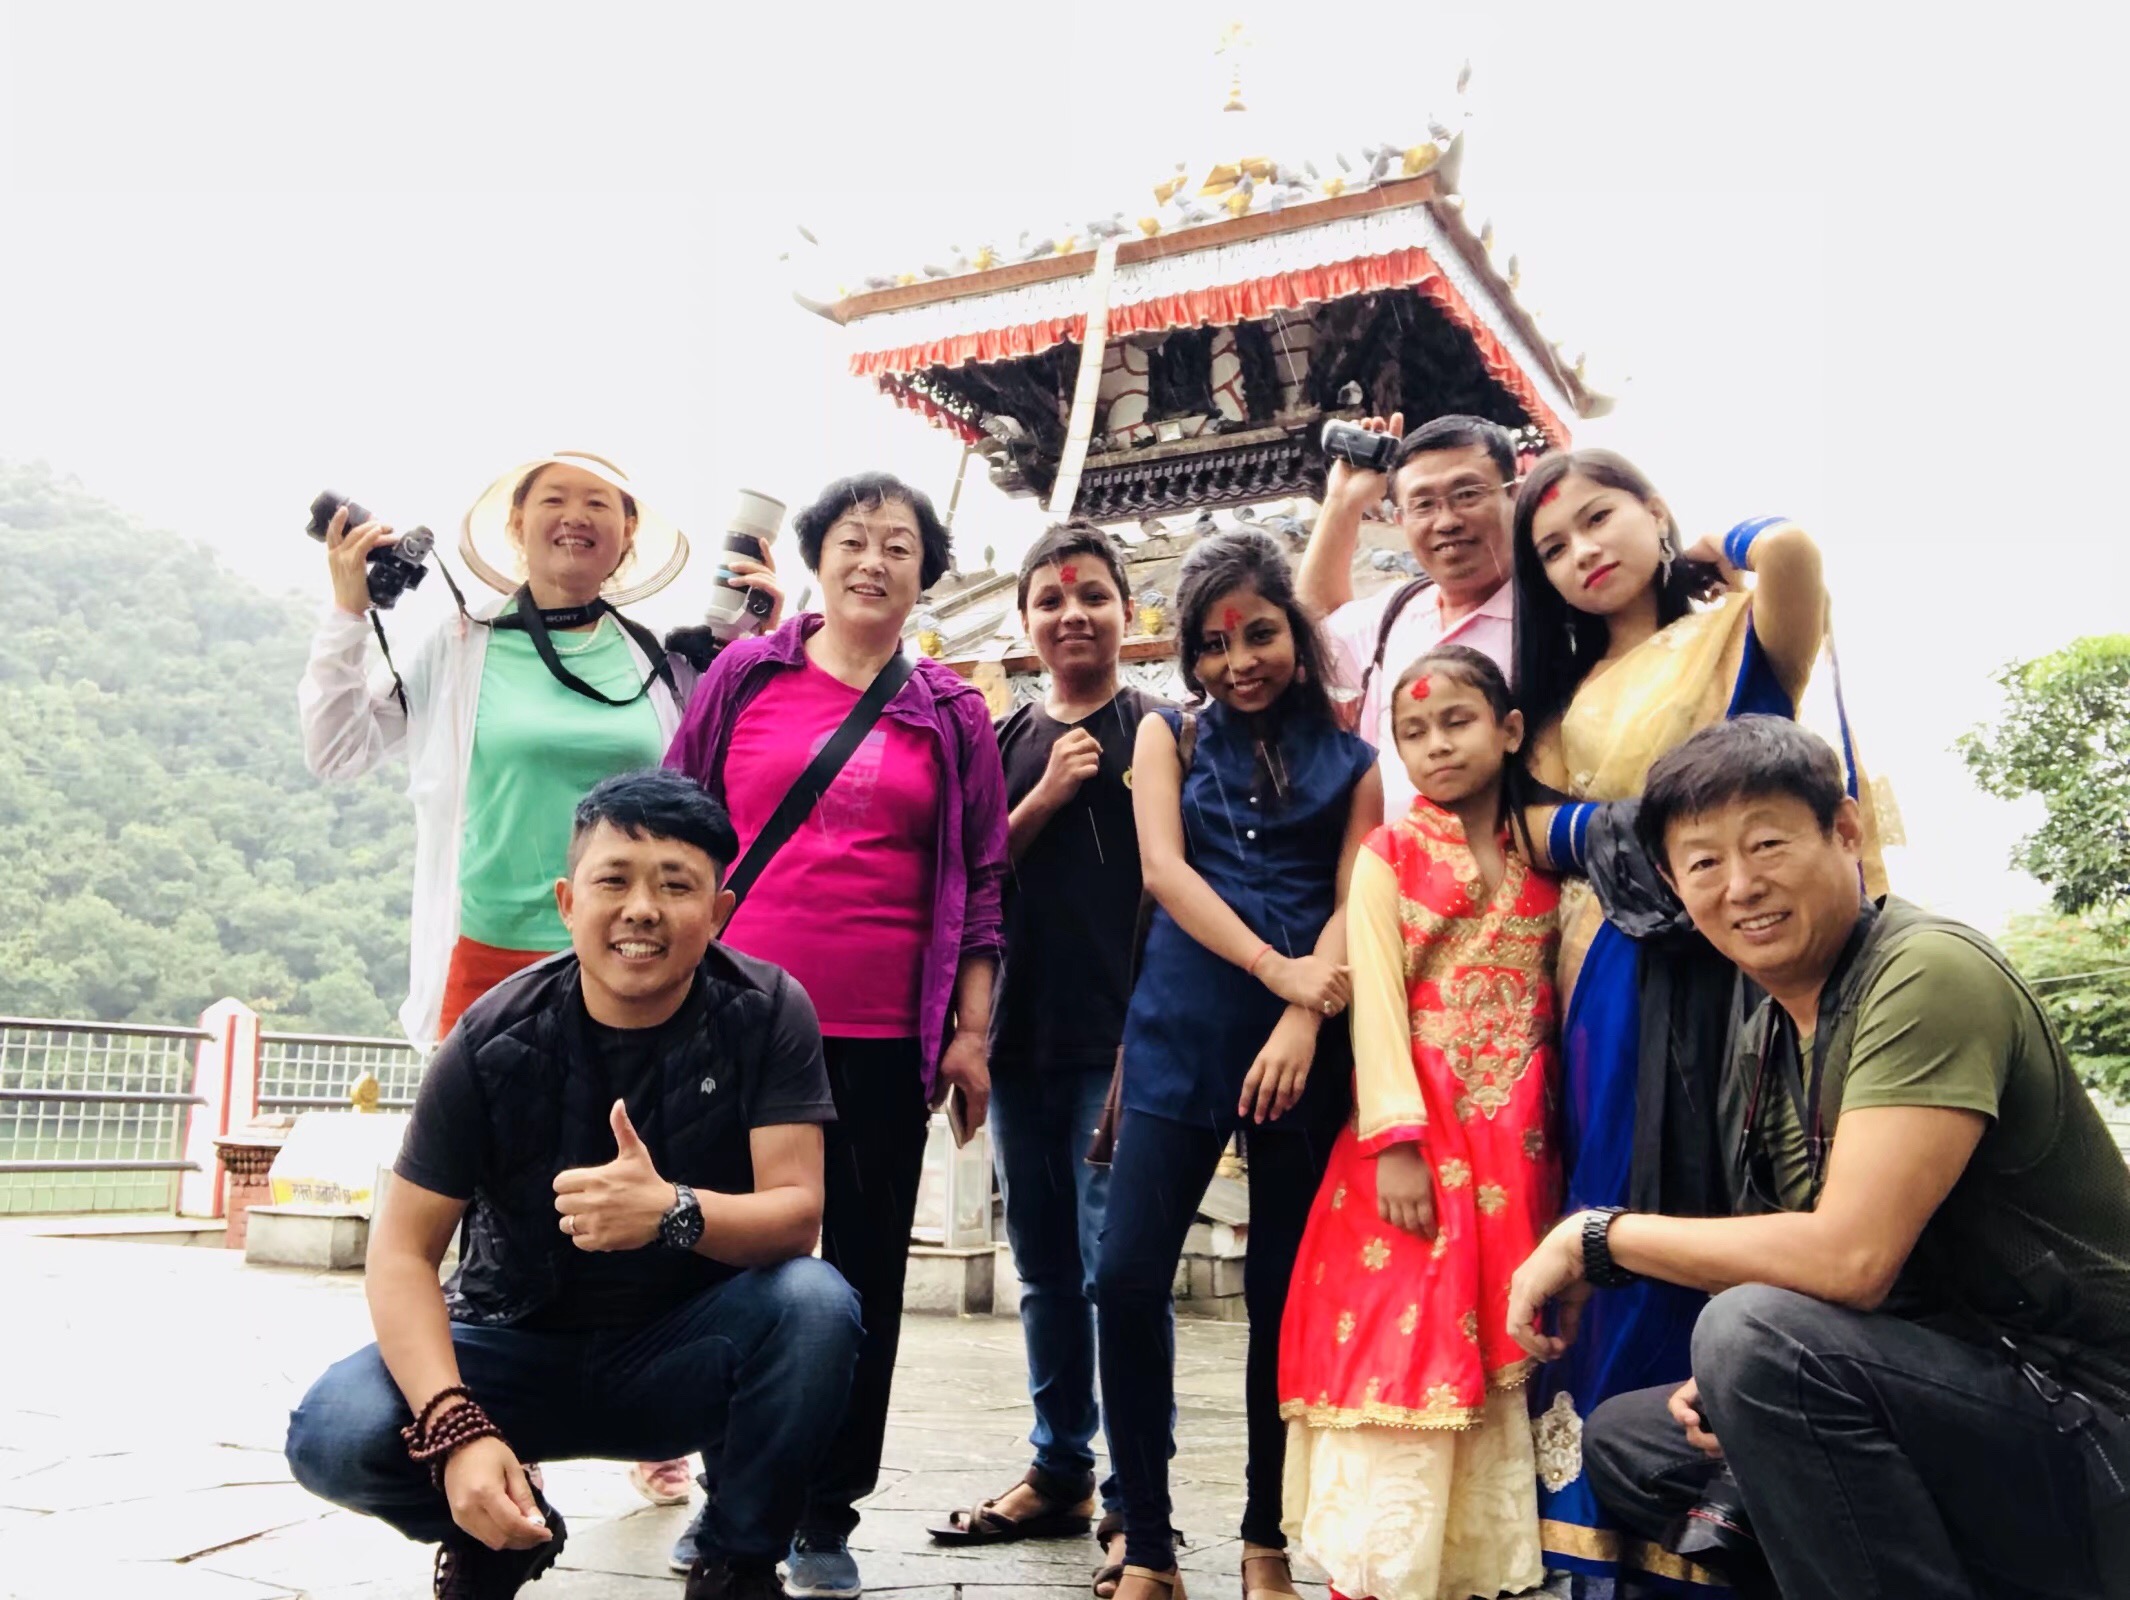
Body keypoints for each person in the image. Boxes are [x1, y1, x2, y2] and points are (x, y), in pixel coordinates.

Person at [1507, 716, 2130, 1600]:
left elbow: (1849, 1259)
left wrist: (1595, 1240)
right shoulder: (1766, 1028)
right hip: (1965, 1387)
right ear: (1675, 887)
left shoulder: (1926, 972)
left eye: (1767, 844)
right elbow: (1795, 1271)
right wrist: (1729, 1387)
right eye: (1703, 862)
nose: (1741, 886)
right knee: (1636, 1439)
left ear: (1845, 830)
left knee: (1753, 1339)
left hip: (2091, 1413)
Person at [282, 770, 861, 1600]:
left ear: (719, 912)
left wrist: (673, 1213)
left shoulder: (767, 1011)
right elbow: (403, 1251)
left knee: (815, 1305)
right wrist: (454, 1426)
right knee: (334, 1431)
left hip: (682, 1356)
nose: (642, 910)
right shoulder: (491, 1036)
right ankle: (498, 1530)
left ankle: (736, 1562)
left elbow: (797, 1216)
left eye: (676, 886)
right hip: (508, 1345)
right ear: (567, 901)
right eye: (613, 881)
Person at [1507, 449, 1870, 1592]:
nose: (1582, 553)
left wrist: (1724, 543)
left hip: (1751, 960)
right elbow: (1526, 825)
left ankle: (1729, 1503)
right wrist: (1623, 830)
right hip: (1615, 978)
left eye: (1600, 519)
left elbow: (1796, 552)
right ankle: (1599, 1526)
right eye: (1552, 548)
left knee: (1745, 1190)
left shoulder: (1737, 640)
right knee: (1614, 1190)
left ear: (1655, 512)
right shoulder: (1563, 700)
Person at [665, 472, 1008, 1599]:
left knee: (861, 1275)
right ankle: (730, 1493)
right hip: (734, 1018)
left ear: (925, 574)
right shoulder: (745, 675)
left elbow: (983, 883)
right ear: (816, 559)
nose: (873, 561)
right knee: (727, 1259)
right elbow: (676, 817)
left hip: (879, 1032)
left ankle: (826, 1508)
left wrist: (968, 1032)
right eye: (853, 541)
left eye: (898, 546)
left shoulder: (951, 713)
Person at [1096, 528, 1383, 1600]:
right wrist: (1276, 970)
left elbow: (1358, 897)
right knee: (1126, 1275)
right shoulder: (1167, 734)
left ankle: (1267, 1538)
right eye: (1213, 646)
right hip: (1181, 1029)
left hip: (1302, 1049)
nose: (1238, 661)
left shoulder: (1356, 761)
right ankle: (1151, 1544)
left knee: (1281, 1293)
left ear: (1295, 634)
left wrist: (1305, 1013)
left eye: (1259, 634)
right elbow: (1165, 873)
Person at [299, 449, 782, 1052]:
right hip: (489, 952)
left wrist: (760, 650)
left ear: (627, 531)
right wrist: (348, 614)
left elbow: (742, 782)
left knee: (626, 1116)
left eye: (597, 503)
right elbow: (337, 750)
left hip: (634, 952)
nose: (575, 516)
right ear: (517, 523)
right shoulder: (460, 644)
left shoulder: (663, 661)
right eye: (554, 500)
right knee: (483, 1115)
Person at [1280, 645, 1562, 1600]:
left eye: (1457, 721)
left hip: (1522, 1141)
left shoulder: (1549, 854)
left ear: (1509, 730)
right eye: (1413, 732)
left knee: (1501, 1350)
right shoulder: (1389, 855)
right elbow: (1379, 1004)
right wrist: (1394, 1140)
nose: (1436, 745)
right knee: (1404, 1356)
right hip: (1417, 1143)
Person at [924, 522, 1165, 1593]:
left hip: (1122, 1041)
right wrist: (1049, 794)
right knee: (1045, 1268)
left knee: (1122, 1270)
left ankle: (1135, 1499)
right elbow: (970, 877)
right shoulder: (1001, 741)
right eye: (1052, 600)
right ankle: (1061, 1464)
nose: (1074, 615)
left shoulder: (1162, 730)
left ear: (1128, 611)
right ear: (1025, 622)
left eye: (1094, 596)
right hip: (1021, 1037)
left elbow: (1183, 881)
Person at [1294, 413, 1520, 818]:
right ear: (1399, 519)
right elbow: (1311, 630)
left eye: (1467, 494)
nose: (1446, 521)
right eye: (1423, 505)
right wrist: (1343, 502)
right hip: (1386, 855)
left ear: (1515, 494)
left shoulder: (1550, 619)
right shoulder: (1397, 612)